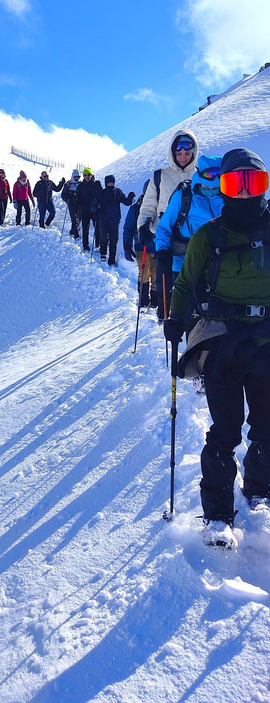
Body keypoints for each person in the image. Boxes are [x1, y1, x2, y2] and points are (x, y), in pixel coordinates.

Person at [165, 148, 270, 550]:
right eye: (234, 184)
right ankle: (218, 516)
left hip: (266, 341)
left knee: (267, 427)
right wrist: (176, 319)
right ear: (222, 187)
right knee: (225, 431)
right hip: (223, 342)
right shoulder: (208, 236)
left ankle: (259, 488)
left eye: (254, 183)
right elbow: (186, 284)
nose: (244, 194)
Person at [138, 129, 199, 318]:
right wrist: (143, 225)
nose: (182, 156)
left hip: (194, 239)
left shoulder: (200, 176)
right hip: (164, 237)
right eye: (178, 153)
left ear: (194, 153)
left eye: (187, 153)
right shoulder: (159, 176)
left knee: (192, 282)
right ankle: (166, 315)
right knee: (164, 279)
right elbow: (148, 205)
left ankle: (190, 317)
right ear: (172, 153)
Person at [124, 180, 157, 309]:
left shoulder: (161, 204)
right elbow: (128, 227)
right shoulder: (137, 207)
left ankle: (155, 302)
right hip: (141, 246)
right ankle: (143, 302)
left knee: (156, 274)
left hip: (158, 247)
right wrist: (127, 245)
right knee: (144, 274)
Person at [91, 175, 135, 265]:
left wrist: (130, 197)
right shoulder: (101, 193)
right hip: (103, 219)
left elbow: (126, 202)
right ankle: (103, 253)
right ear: (106, 183)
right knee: (103, 237)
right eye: (109, 183)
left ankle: (112, 258)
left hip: (115, 220)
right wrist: (97, 210)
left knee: (114, 239)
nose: (111, 184)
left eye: (112, 182)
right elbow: (93, 205)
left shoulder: (118, 192)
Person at [75, 168, 102, 252]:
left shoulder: (97, 184)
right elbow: (77, 197)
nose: (87, 177)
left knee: (97, 227)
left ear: (91, 175)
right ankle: (85, 245)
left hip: (95, 210)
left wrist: (100, 204)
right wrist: (77, 201)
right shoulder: (80, 186)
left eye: (88, 175)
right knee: (85, 228)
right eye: (85, 175)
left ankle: (98, 244)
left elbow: (101, 195)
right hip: (84, 210)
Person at [61, 170, 81, 237]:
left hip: (79, 203)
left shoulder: (80, 184)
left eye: (78, 177)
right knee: (73, 218)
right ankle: (75, 232)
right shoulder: (68, 184)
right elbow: (63, 195)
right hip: (71, 203)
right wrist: (67, 199)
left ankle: (74, 230)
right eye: (75, 177)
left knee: (79, 217)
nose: (77, 178)